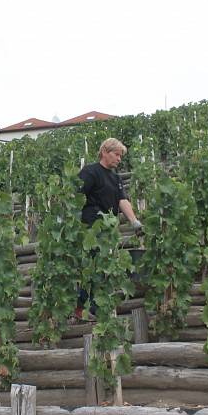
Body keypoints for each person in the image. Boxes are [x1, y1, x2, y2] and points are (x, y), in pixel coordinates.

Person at [76, 137, 142, 321]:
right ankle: (84, 308)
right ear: (104, 152)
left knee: (104, 267)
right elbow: (76, 196)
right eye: (116, 154)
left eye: (121, 156)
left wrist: (134, 222)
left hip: (109, 229)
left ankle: (98, 307)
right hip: (91, 227)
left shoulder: (115, 178)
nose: (119, 159)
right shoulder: (90, 172)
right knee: (93, 265)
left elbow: (122, 200)